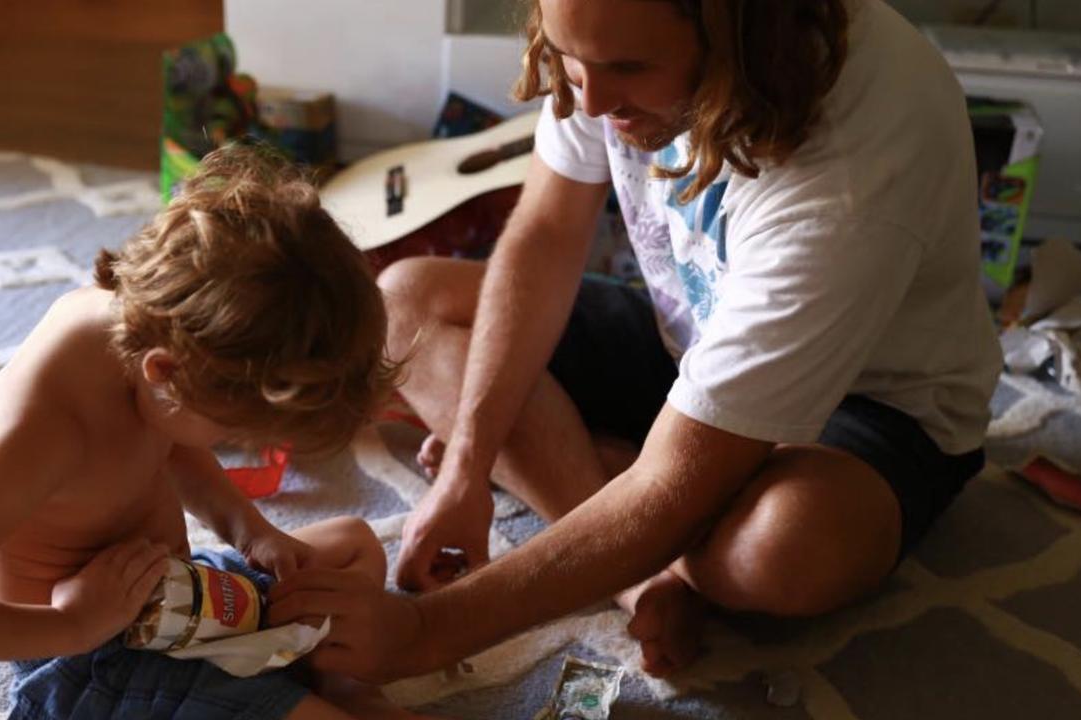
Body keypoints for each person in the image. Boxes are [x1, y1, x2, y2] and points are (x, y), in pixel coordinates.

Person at [267, 0, 1002, 682]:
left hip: (877, 407)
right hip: (693, 331)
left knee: (783, 551)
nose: (588, 101)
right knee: (405, 302)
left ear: (738, 33)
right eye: (568, 58)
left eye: (627, 71)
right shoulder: (607, 41)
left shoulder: (848, 170)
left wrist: (421, 633)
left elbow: (673, 487)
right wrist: (468, 463)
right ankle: (635, 563)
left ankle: (611, 483)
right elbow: (548, 234)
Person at [0, 146, 430, 720]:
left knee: (352, 547)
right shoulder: (44, 435)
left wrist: (250, 532)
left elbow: (172, 439)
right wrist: (73, 625)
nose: (240, 447)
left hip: (178, 598)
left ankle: (344, 686)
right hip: (93, 662)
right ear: (166, 373)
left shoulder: (157, 352)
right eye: (234, 431)